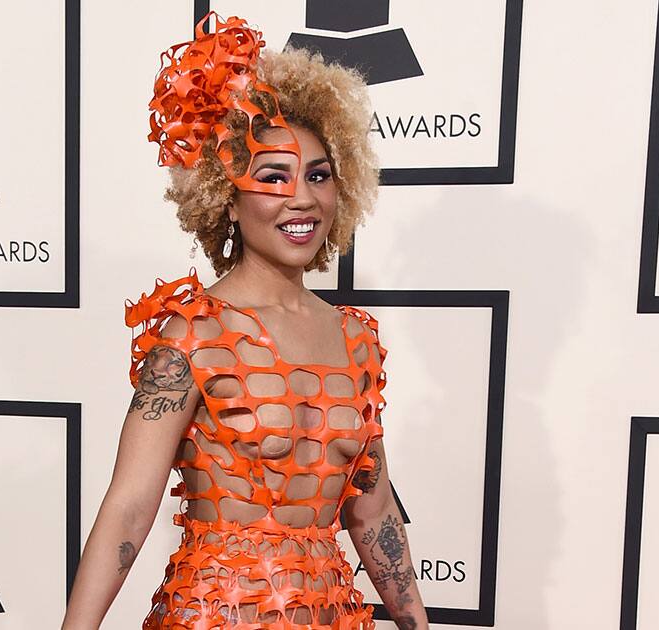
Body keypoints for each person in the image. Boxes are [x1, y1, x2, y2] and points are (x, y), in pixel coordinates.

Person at [63, 14, 428, 629]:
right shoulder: (192, 334)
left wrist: (417, 625)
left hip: (330, 614)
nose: (301, 198)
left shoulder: (357, 341)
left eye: (318, 175)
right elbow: (128, 510)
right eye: (272, 177)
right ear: (226, 198)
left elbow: (373, 515)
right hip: (216, 615)